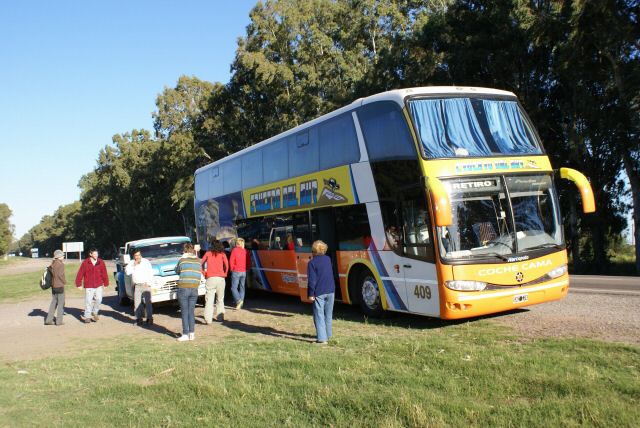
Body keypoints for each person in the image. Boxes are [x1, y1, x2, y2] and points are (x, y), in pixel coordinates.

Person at [307, 240, 335, 345]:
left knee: (319, 315)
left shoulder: (312, 263)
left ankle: (322, 339)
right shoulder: (328, 259)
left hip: (319, 292)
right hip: (331, 290)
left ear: (313, 251)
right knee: (328, 314)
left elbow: (312, 280)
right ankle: (328, 335)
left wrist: (310, 294)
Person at [175, 243, 201, 341]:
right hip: (194, 288)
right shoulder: (198, 261)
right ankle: (192, 333)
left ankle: (185, 334)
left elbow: (176, 271)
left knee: (184, 312)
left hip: (183, 288)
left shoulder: (182, 260)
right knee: (191, 311)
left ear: (184, 251)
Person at [75, 248, 109, 323]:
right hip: (89, 285)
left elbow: (104, 273)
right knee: (88, 301)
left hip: (99, 285)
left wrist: (106, 283)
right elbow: (80, 273)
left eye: (97, 254)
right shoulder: (85, 262)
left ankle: (94, 312)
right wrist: (78, 284)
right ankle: (87, 317)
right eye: (94, 254)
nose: (96, 255)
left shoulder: (101, 262)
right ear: (90, 254)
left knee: (99, 299)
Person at [201, 239, 229, 323]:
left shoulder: (208, 253)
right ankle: (220, 317)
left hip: (210, 278)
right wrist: (225, 273)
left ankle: (208, 319)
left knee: (209, 299)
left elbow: (201, 264)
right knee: (220, 299)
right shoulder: (223, 254)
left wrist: (204, 273)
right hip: (221, 278)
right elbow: (227, 265)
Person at [125, 248, 154, 326]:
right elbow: (127, 272)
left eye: (139, 255)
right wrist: (133, 265)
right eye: (136, 255)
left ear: (141, 254)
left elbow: (150, 272)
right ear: (133, 256)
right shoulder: (131, 263)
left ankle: (150, 318)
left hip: (145, 284)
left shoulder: (146, 262)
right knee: (137, 303)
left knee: (148, 302)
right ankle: (139, 319)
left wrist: (148, 283)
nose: (138, 257)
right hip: (137, 285)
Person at [45, 250, 66, 326]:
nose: (63, 256)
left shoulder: (52, 263)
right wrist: (64, 282)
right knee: (61, 303)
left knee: (53, 302)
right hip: (59, 286)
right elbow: (60, 275)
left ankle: (49, 320)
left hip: (53, 286)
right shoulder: (61, 264)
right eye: (62, 255)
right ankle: (59, 321)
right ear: (59, 257)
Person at [229, 238, 248, 310]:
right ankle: (240, 304)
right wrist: (247, 268)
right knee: (242, 287)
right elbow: (248, 260)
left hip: (236, 271)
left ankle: (238, 301)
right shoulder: (245, 251)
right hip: (244, 271)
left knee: (233, 288)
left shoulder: (234, 250)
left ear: (237, 243)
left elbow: (231, 260)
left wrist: (231, 269)